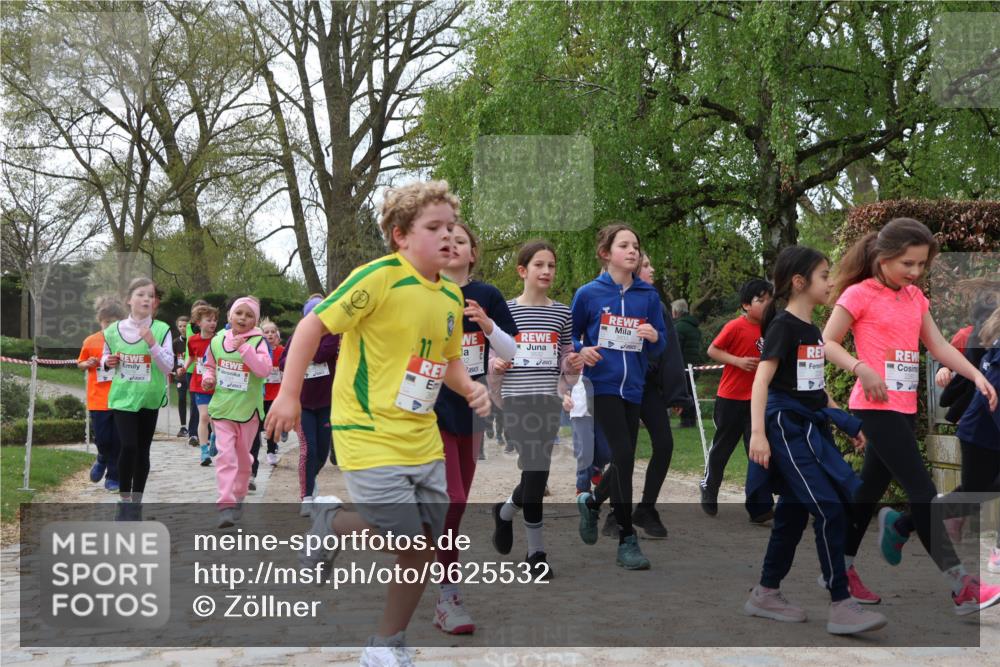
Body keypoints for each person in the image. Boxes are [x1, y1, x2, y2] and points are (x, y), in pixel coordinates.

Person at [265, 180, 489, 666]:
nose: (448, 237)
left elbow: (446, 361)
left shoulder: (451, 297)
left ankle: (386, 645)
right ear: (400, 235)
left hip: (421, 436)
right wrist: (288, 393)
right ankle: (333, 522)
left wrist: (469, 386)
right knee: (405, 536)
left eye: (452, 227)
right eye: (434, 228)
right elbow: (311, 326)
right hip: (366, 431)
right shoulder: (378, 278)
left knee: (424, 547)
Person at [824, 217, 1000, 615]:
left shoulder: (915, 298)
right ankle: (961, 586)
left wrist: (976, 374)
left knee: (867, 491)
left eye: (922, 265)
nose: (916, 272)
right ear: (883, 257)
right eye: (908, 264)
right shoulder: (859, 294)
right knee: (922, 492)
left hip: (902, 407)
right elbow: (826, 342)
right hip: (872, 405)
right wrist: (859, 368)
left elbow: (938, 345)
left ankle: (840, 569)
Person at [744, 245, 888, 635]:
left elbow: (813, 388)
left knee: (791, 515)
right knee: (830, 509)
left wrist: (845, 420)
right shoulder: (783, 326)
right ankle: (841, 604)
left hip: (810, 426)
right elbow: (761, 381)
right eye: (825, 275)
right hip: (787, 430)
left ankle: (765, 592)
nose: (831, 282)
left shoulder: (810, 330)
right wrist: (759, 434)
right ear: (799, 282)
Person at [431, 221, 517, 634]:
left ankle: (437, 574)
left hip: (469, 403)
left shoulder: (487, 295)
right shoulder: (421, 291)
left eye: (460, 241)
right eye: (443, 240)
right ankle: (447, 594)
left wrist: (486, 324)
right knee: (452, 497)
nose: (451, 245)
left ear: (472, 252)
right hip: (425, 406)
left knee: (457, 503)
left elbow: (512, 349)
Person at [572, 223, 666, 570]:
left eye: (636, 245)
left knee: (624, 459)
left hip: (634, 387)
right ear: (605, 253)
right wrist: (584, 350)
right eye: (624, 245)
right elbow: (572, 338)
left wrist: (654, 335)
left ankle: (593, 504)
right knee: (624, 454)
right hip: (603, 385)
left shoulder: (648, 297)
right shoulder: (588, 294)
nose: (633, 251)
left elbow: (661, 346)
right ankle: (627, 538)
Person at [489, 240, 576, 578]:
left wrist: (573, 362)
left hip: (549, 401)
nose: (547, 271)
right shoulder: (505, 311)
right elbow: (492, 352)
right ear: (523, 271)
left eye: (551, 266)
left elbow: (566, 356)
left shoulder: (562, 312)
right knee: (537, 469)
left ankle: (506, 512)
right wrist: (497, 364)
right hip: (516, 400)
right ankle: (536, 554)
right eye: (539, 265)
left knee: (536, 475)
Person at [699, 279, 776, 522]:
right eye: (760, 300)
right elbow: (712, 350)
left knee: (757, 452)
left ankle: (759, 507)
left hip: (758, 400)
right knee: (723, 448)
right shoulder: (735, 326)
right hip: (730, 397)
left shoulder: (772, 328)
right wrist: (738, 361)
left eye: (769, 300)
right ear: (745, 305)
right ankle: (709, 488)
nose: (766, 305)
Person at [100, 278, 173, 521]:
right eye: (140, 294)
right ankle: (124, 499)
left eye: (150, 296)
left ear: (155, 303)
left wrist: (152, 343)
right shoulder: (113, 330)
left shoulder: (162, 330)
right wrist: (107, 362)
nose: (145, 299)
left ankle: (137, 501)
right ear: (129, 299)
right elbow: (105, 359)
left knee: (142, 450)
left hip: (149, 398)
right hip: (123, 397)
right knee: (128, 446)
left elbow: (168, 366)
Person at [200, 297, 271, 528]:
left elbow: (263, 370)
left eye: (249, 315)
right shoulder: (218, 340)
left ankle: (239, 495)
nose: (243, 318)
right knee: (225, 456)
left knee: (243, 459)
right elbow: (209, 365)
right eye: (239, 313)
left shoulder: (259, 342)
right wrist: (209, 379)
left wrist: (244, 349)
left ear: (256, 320)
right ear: (230, 315)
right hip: (222, 409)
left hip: (248, 411)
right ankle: (225, 505)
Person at [281, 296, 339, 517]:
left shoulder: (332, 335)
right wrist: (302, 355)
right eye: (313, 314)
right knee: (309, 449)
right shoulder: (297, 336)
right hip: (303, 404)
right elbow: (284, 362)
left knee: (322, 452)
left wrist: (304, 355)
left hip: (326, 403)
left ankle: (310, 481)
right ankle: (306, 496)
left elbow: (324, 353)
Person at [77, 297, 127, 492]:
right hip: (98, 398)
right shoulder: (90, 341)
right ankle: (102, 458)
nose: (110, 326)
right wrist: (87, 363)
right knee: (103, 439)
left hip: (122, 398)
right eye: (107, 322)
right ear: (100, 322)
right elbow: (80, 363)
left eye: (114, 322)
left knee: (118, 440)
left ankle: (113, 476)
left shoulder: (126, 341)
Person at [186, 304, 218, 466]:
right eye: (209, 320)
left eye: (215, 320)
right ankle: (204, 451)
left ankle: (214, 437)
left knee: (215, 418)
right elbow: (192, 358)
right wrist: (183, 368)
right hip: (199, 384)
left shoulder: (219, 340)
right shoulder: (193, 340)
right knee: (204, 416)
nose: (213, 323)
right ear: (199, 322)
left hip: (218, 385)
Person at [673, 298, 703, 428]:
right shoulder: (695, 328)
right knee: (692, 392)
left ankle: (685, 420)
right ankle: (692, 420)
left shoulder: (679, 327)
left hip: (683, 366)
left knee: (684, 392)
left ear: (676, 311)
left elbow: (676, 349)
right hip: (695, 364)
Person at [260, 319, 284, 466]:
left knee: (272, 423)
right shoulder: (258, 350)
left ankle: (271, 451)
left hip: (277, 393)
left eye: (272, 332)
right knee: (263, 423)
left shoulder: (282, 351)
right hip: (261, 393)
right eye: (266, 332)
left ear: (277, 334)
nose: (270, 335)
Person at [172, 315, 190, 437]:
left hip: (192, 374)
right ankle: (183, 427)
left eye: (185, 326)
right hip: (180, 376)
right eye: (180, 326)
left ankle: (196, 425)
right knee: (182, 399)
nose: (183, 328)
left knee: (194, 401)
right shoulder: (175, 342)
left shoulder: (193, 340)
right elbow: (171, 359)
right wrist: (176, 369)